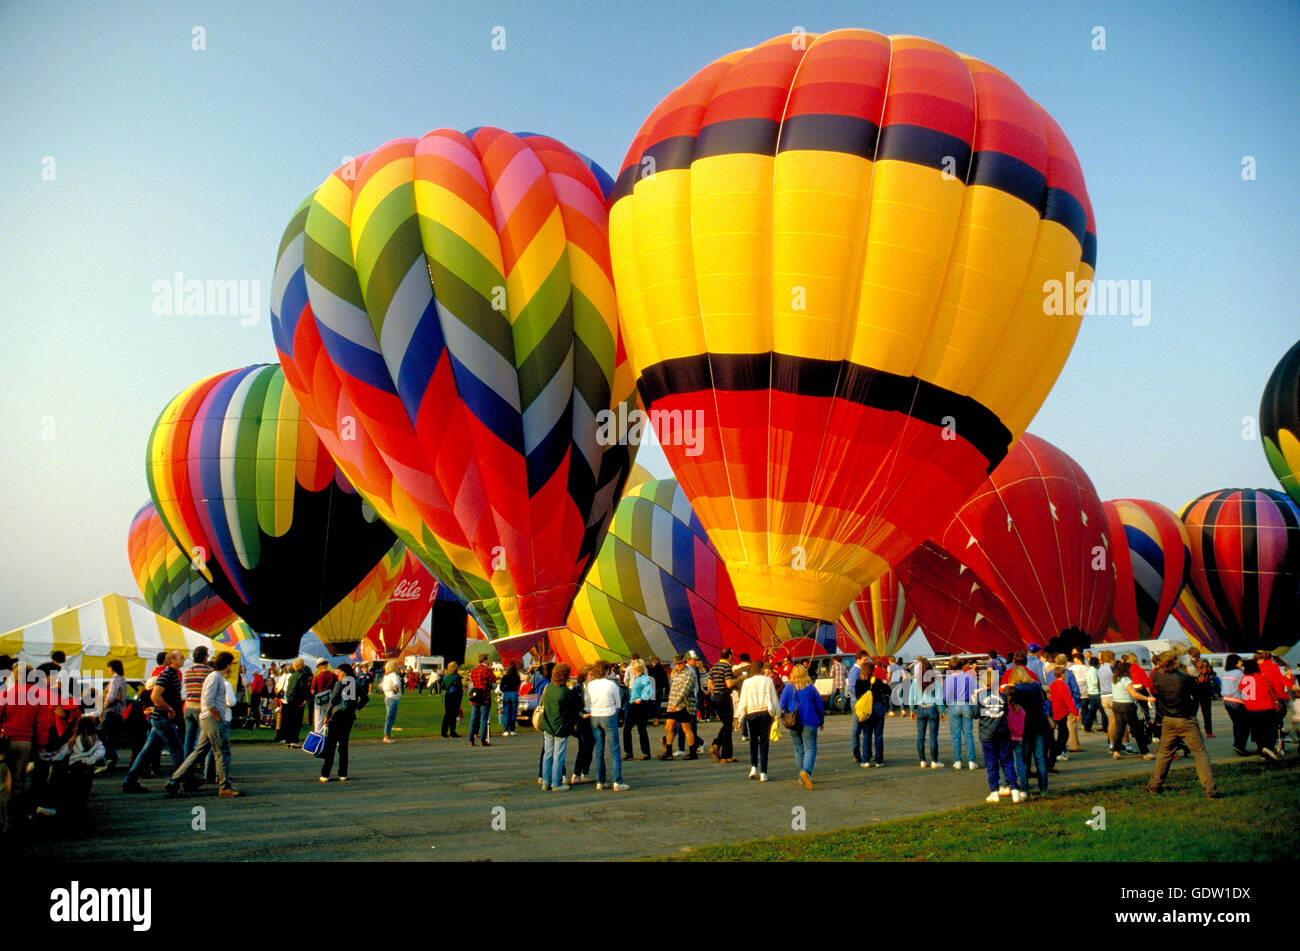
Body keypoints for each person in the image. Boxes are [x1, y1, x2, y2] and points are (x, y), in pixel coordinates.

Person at [166, 652, 242, 797]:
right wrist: (217, 715)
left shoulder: (214, 677)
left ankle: (174, 780)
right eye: (230, 664)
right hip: (212, 719)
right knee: (222, 752)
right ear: (227, 664)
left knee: (198, 752)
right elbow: (208, 698)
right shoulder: (215, 677)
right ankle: (225, 786)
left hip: (206, 718)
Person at [1147, 652, 1218, 797]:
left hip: (1168, 718)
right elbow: (1198, 691)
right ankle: (1209, 788)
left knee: (1164, 753)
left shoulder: (1156, 676)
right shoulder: (1184, 678)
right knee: (1199, 753)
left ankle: (1155, 785)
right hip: (1186, 719)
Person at [122, 650, 187, 793]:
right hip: (163, 718)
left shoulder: (171, 674)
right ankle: (183, 779)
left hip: (160, 718)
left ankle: (130, 780)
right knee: (176, 749)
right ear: (172, 660)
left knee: (147, 751)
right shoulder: (167, 675)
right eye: (181, 657)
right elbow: (155, 696)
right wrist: (169, 708)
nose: (184, 659)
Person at [0, 665, 54, 833]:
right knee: (18, 783)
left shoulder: (6, 694)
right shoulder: (39, 696)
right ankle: (17, 821)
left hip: (5, 742)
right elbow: (42, 725)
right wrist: (42, 744)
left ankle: (4, 821)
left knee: (2, 784)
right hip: (25, 742)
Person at [1006, 666, 1051, 797]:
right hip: (1039, 723)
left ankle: (1024, 787)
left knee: (1024, 758)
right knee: (1040, 757)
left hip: (1024, 726)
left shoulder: (1016, 690)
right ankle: (1043, 788)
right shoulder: (1036, 686)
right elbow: (1044, 701)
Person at [583, 661, 628, 791]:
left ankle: (600, 781)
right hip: (608, 715)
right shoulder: (611, 684)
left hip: (595, 717)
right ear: (607, 671)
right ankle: (617, 781)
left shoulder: (590, 685)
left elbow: (589, 701)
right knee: (615, 750)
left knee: (599, 750)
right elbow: (618, 703)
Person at [779, 664, 824, 790]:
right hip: (810, 721)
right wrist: (821, 721)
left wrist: (786, 714)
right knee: (810, 749)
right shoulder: (811, 688)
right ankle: (806, 772)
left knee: (799, 749)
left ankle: (801, 776)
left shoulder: (788, 688)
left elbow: (781, 705)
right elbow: (819, 705)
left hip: (793, 722)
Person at [736, 659, 781, 781]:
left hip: (751, 713)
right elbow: (773, 698)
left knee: (753, 741)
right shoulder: (768, 681)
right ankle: (763, 773)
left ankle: (753, 767)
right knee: (764, 743)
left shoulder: (747, 683)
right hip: (765, 713)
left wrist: (740, 719)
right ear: (761, 669)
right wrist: (777, 714)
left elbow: (743, 702)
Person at [977, 679, 1020, 803]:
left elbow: (975, 714)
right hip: (1002, 731)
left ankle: (994, 791)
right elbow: (1005, 712)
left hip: (987, 733)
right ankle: (1014, 789)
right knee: (1007, 761)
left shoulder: (981, 696)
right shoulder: (1002, 696)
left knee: (991, 763)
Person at [539, 664, 579, 791]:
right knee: (558, 755)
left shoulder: (548, 688)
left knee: (548, 754)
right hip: (560, 727)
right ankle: (556, 783)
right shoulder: (565, 692)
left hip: (547, 725)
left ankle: (546, 781)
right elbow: (572, 710)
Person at [319, 663, 360, 782]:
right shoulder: (354, 684)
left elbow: (333, 700)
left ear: (345, 673)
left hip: (336, 717)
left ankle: (325, 774)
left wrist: (327, 715)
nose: (338, 674)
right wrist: (356, 707)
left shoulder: (340, 684)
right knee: (343, 746)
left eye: (340, 672)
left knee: (331, 746)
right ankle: (343, 773)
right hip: (348, 718)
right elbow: (365, 698)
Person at [1110, 661, 1155, 760]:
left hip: (1117, 704)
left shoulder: (1115, 679)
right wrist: (1148, 698)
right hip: (1127, 706)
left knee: (1119, 728)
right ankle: (1145, 752)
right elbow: (1134, 694)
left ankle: (1116, 751)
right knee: (1137, 729)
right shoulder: (1126, 680)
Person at [1240, 659, 1282, 761]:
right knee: (1269, 730)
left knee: (1257, 731)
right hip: (1265, 707)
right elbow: (1273, 689)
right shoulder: (1263, 677)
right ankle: (1268, 748)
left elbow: (1242, 691)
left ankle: (1261, 750)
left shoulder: (1244, 678)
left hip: (1250, 708)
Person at [658, 655, 699, 760]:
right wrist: (671, 704)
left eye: (680, 663)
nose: (678, 665)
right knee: (668, 727)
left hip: (684, 705)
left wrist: (675, 703)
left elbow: (684, 691)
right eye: (676, 664)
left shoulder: (689, 674)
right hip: (673, 705)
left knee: (686, 728)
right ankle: (668, 751)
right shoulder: (675, 673)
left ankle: (692, 752)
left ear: (684, 663)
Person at [910, 657, 946, 769]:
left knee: (920, 736)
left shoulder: (915, 681)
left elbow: (912, 697)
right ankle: (934, 761)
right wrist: (942, 711)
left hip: (920, 709)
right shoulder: (934, 681)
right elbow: (939, 698)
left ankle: (922, 760)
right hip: (932, 709)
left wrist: (912, 710)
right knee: (933, 737)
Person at [944, 658, 978, 769]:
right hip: (966, 704)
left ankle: (957, 761)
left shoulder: (948, 678)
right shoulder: (967, 676)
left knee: (955, 735)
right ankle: (971, 761)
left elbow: (945, 696)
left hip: (954, 706)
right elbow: (977, 689)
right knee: (968, 734)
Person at [181, 646, 213, 759]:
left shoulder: (187, 672)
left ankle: (186, 763)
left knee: (188, 738)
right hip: (201, 708)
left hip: (188, 707)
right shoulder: (209, 672)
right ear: (205, 657)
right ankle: (202, 761)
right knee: (206, 737)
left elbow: (183, 692)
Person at [1047, 664, 1079, 771]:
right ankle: (1056, 753)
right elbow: (1069, 701)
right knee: (1063, 734)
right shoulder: (1063, 686)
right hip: (1062, 712)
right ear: (1062, 674)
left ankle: (1055, 753)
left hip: (1054, 712)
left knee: (1061, 734)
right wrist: (1076, 713)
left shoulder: (1052, 685)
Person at [98, 659, 128, 774]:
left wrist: (103, 708)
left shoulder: (115, 680)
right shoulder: (122, 680)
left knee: (104, 735)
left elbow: (111, 697)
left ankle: (108, 759)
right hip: (118, 712)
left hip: (111, 712)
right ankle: (111, 759)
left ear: (112, 668)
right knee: (112, 737)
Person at [708, 649, 737, 763]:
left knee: (726, 725)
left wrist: (717, 690)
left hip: (715, 698)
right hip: (724, 697)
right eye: (733, 655)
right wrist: (738, 680)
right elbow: (729, 684)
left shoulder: (714, 667)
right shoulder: (727, 667)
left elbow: (709, 684)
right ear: (729, 656)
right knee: (728, 726)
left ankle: (717, 745)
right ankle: (725, 755)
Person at [275, 659, 310, 748]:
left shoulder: (291, 676)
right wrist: (304, 699)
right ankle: (293, 740)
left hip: (288, 700)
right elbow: (302, 688)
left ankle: (288, 739)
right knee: (296, 721)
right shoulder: (301, 676)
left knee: (289, 720)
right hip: (297, 701)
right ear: (302, 666)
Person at [1219, 654, 1250, 754]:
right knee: (1245, 725)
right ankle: (1239, 745)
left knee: (1236, 724)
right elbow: (1244, 688)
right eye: (1240, 661)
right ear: (1236, 662)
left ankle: (1237, 743)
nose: (1242, 662)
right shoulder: (1239, 674)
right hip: (1237, 701)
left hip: (1227, 701)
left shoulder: (1225, 674)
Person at [570, 664, 595, 782]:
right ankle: (576, 773)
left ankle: (586, 772)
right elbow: (574, 706)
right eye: (591, 674)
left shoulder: (596, 687)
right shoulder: (578, 688)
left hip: (593, 718)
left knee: (590, 747)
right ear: (585, 675)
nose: (592, 676)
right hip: (582, 719)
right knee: (583, 746)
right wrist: (579, 716)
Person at [625, 661, 654, 760]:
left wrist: (641, 698)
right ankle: (628, 751)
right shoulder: (637, 678)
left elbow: (649, 690)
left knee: (641, 729)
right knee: (627, 728)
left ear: (637, 669)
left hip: (639, 705)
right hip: (633, 704)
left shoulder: (644, 678)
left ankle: (646, 753)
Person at [847, 651, 872, 764]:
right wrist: (860, 698)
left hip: (861, 702)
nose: (866, 662)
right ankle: (856, 754)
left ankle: (867, 753)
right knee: (856, 728)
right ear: (858, 659)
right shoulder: (855, 671)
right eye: (864, 660)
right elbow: (852, 687)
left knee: (865, 728)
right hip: (857, 702)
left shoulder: (859, 670)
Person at [467, 654, 496, 747]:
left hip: (475, 696)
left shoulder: (474, 670)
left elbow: (471, 683)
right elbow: (493, 683)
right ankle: (483, 740)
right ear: (485, 660)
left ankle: (471, 740)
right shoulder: (487, 670)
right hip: (485, 696)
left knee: (473, 718)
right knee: (484, 718)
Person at [310, 660, 336, 733]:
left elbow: (312, 691)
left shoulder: (317, 677)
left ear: (319, 667)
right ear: (326, 665)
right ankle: (333, 739)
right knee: (331, 719)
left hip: (320, 701)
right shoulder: (333, 675)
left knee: (318, 720)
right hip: (330, 699)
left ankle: (318, 739)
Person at [380, 660, 402, 744]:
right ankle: (387, 735)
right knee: (390, 717)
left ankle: (387, 733)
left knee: (389, 716)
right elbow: (396, 683)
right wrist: (395, 689)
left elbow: (382, 686)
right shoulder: (393, 675)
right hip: (393, 697)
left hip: (387, 697)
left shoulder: (386, 676)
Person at [439, 662, 463, 738]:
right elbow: (459, 689)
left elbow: (442, 686)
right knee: (453, 714)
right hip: (455, 696)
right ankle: (452, 731)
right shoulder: (457, 677)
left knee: (447, 714)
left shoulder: (446, 676)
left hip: (447, 695)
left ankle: (443, 732)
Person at [499, 661, 521, 737]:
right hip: (514, 693)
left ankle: (506, 729)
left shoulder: (505, 677)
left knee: (506, 713)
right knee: (513, 713)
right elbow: (518, 685)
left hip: (507, 694)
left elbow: (501, 687)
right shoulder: (517, 677)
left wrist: (505, 691)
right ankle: (512, 729)